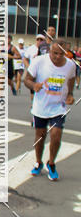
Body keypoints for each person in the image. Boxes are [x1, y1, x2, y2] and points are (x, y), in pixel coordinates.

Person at [24, 38, 75, 181]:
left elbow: (71, 78)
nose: (58, 57)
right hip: (40, 107)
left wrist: (70, 94)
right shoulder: (39, 61)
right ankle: (39, 162)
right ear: (50, 51)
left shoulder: (70, 65)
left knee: (56, 134)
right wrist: (33, 86)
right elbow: (26, 79)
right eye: (55, 53)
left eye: (62, 54)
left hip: (58, 107)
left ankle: (51, 163)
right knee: (40, 136)